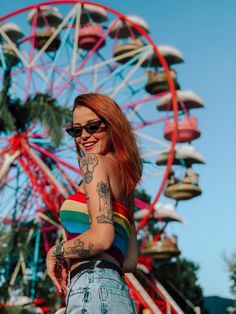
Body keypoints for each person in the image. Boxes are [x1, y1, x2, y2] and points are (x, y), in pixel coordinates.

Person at [46, 93, 142, 313]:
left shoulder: (93, 162)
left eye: (93, 127)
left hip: (92, 288)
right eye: (76, 130)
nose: (84, 136)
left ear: (112, 125)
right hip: (118, 295)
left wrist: (56, 252)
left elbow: (102, 238)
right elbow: (129, 261)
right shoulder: (126, 182)